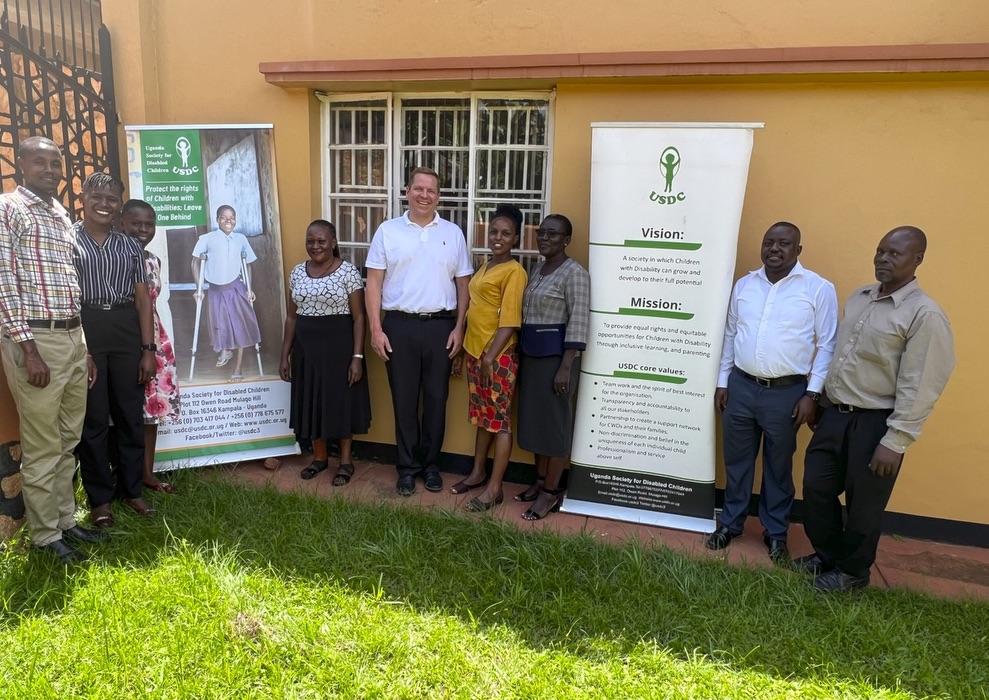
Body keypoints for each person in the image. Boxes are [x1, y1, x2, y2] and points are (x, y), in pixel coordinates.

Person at [797, 226, 955, 592]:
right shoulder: (860, 297)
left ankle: (853, 573)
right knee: (817, 487)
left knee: (864, 504)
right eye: (880, 251)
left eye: (894, 254)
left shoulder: (924, 314)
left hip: (876, 424)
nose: (883, 259)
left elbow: (922, 382)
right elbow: (841, 354)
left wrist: (896, 440)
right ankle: (827, 555)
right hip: (836, 414)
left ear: (917, 259)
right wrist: (821, 400)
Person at [707, 222, 838, 564]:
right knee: (736, 462)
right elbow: (732, 334)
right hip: (741, 387)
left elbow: (826, 346)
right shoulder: (745, 286)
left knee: (778, 466)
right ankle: (731, 524)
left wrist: (812, 394)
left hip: (787, 393)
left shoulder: (818, 289)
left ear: (798, 250)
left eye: (784, 243)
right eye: (769, 243)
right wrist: (723, 381)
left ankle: (776, 532)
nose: (774, 249)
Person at [0, 136, 102, 563]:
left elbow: (67, 284)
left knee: (67, 439)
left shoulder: (60, 213)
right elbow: (4, 280)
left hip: (72, 338)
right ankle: (44, 538)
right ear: (22, 164)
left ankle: (65, 522)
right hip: (36, 341)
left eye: (55, 163)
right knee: (43, 446)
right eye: (39, 162)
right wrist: (28, 348)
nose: (50, 170)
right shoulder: (9, 208)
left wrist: (85, 348)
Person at [365, 167, 473, 496]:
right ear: (407, 191)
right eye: (418, 188)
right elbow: (374, 282)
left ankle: (431, 466)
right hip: (399, 326)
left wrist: (459, 327)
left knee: (438, 401)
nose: (424, 195)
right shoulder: (388, 231)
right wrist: (376, 329)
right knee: (405, 401)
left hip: (442, 326)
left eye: (431, 190)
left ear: (439, 196)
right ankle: (408, 468)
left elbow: (463, 284)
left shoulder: (453, 233)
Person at [73, 173, 157, 527]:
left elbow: (142, 300)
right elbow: (68, 299)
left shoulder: (130, 247)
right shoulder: (68, 241)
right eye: (97, 196)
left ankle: (132, 490)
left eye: (111, 198)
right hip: (87, 325)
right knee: (94, 419)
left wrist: (148, 349)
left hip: (125, 329)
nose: (104, 203)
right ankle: (100, 500)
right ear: (84, 197)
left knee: (128, 415)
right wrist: (82, 348)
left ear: (118, 205)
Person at [279, 219, 371, 484]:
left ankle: (345, 462)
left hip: (340, 350)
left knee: (341, 403)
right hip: (307, 352)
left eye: (321, 241)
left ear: (333, 243)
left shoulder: (348, 272)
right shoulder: (297, 272)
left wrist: (357, 357)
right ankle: (319, 458)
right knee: (312, 402)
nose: (315, 246)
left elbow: (360, 317)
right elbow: (292, 317)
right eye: (310, 241)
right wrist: (285, 353)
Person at [449, 204, 528, 511]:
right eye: (494, 231)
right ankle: (478, 473)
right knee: (483, 418)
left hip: (497, 358)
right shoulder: (485, 266)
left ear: (517, 239)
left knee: (501, 422)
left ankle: (495, 488)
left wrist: (488, 358)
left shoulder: (514, 272)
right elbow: (474, 311)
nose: (498, 237)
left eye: (506, 233)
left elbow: (509, 321)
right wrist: (465, 353)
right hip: (477, 353)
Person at [514, 214, 590, 520]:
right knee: (535, 422)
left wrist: (566, 366)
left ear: (566, 240)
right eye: (542, 232)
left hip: (556, 362)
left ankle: (551, 493)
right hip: (532, 356)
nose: (545, 238)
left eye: (553, 234)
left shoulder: (575, 274)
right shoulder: (539, 269)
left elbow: (579, 319)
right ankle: (540, 481)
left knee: (555, 426)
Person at [119, 199, 180, 493]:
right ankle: (123, 478)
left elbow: (152, 301)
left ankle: (147, 474)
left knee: (151, 410)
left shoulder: (154, 260)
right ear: (122, 223)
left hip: (154, 338)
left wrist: (154, 345)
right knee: (124, 410)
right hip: (124, 337)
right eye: (136, 223)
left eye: (149, 224)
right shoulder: (114, 256)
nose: (143, 230)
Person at [191, 205, 261, 381]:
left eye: (232, 217)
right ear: (217, 220)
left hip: (236, 287)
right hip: (216, 290)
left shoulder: (241, 239)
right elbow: (195, 263)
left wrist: (249, 287)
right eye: (224, 217)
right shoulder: (207, 239)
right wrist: (198, 288)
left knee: (240, 326)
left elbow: (249, 264)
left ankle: (238, 368)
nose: (228, 221)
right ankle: (226, 349)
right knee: (220, 325)